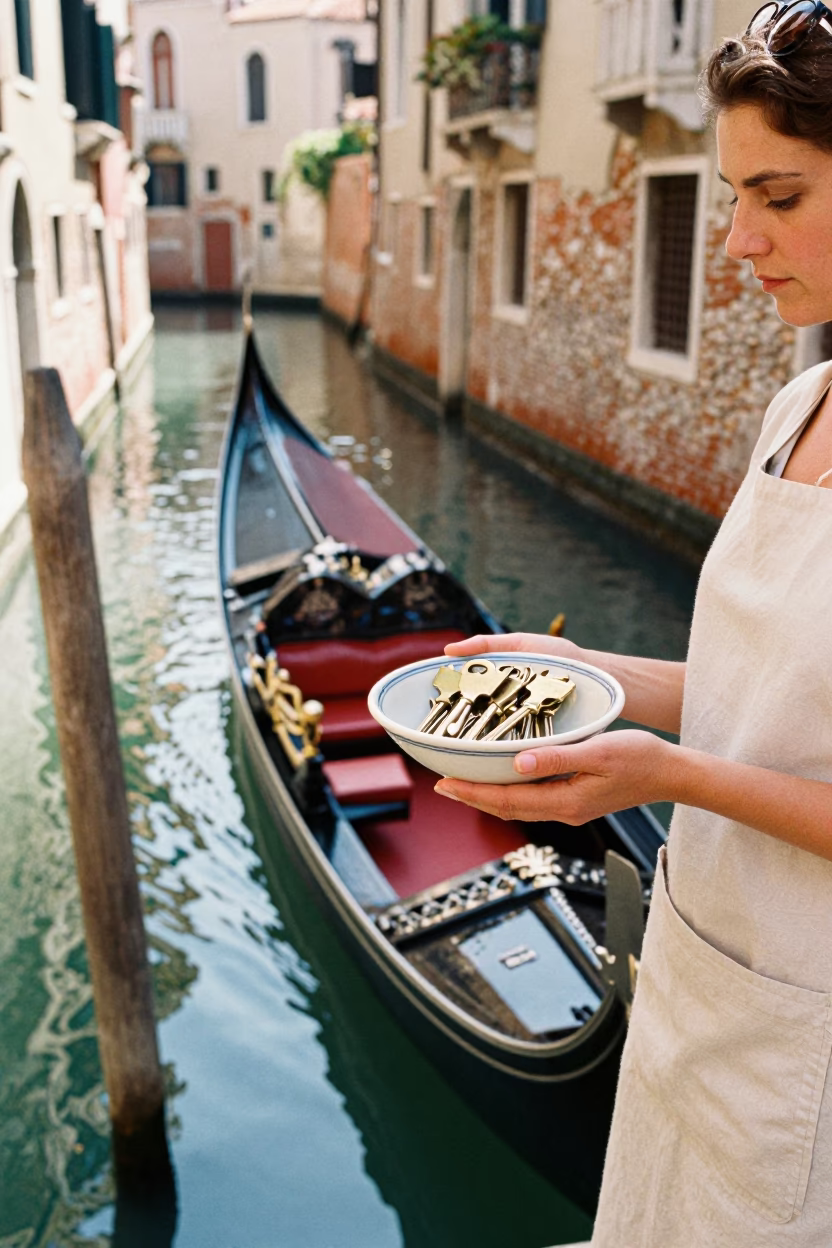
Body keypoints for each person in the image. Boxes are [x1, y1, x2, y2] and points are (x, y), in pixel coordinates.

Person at [434, 3, 832, 1242]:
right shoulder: (799, 405)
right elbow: (754, 692)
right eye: (729, 197)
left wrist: (665, 775)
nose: (735, 241)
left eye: (778, 196)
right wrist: (581, 671)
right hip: (702, 981)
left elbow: (715, 754)